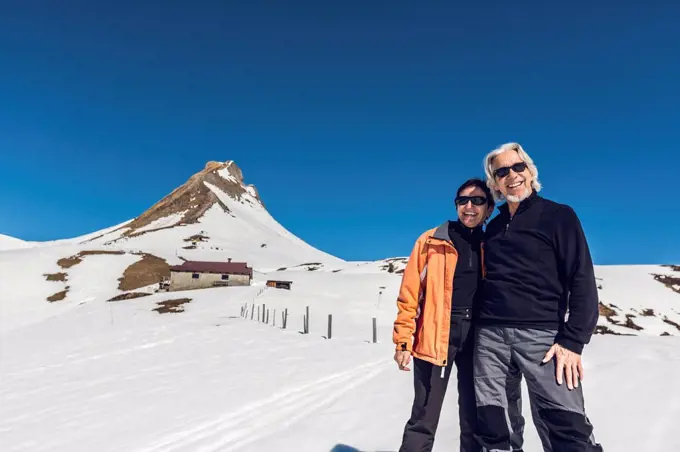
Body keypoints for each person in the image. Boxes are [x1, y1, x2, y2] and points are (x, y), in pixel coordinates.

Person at [474, 142, 603, 452]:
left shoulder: (559, 216)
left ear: (530, 171)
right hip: (490, 339)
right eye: (501, 172)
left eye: (518, 167)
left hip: (543, 338)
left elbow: (581, 276)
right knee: (495, 430)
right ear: (495, 184)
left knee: (566, 427)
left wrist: (574, 340)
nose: (512, 175)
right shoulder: (492, 228)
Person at [392, 178, 524, 452]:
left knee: (474, 417)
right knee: (423, 418)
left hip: (479, 338)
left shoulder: (493, 244)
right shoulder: (431, 240)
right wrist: (403, 340)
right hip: (436, 334)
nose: (469, 206)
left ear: (489, 209)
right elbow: (409, 294)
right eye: (463, 200)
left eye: (478, 201)